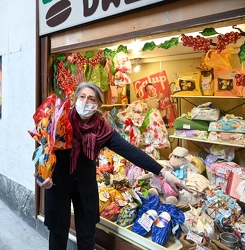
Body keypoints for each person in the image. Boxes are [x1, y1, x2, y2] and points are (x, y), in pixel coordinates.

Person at [35, 82, 190, 250]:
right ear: (75, 99)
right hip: (58, 183)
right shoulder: (60, 121)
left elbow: (130, 151)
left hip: (85, 187)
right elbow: (43, 147)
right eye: (82, 97)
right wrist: (41, 175)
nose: (85, 102)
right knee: (58, 233)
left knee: (87, 236)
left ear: (98, 105)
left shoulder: (102, 129)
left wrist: (164, 173)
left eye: (91, 99)